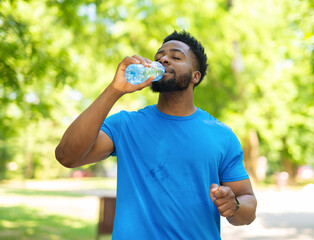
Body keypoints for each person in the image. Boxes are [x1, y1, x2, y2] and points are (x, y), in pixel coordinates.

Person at [55, 30, 257, 239]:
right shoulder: (125, 125)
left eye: (176, 57)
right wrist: (115, 90)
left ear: (195, 76)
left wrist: (233, 205)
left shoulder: (221, 135)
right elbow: (66, 156)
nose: (163, 59)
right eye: (159, 56)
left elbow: (247, 205)